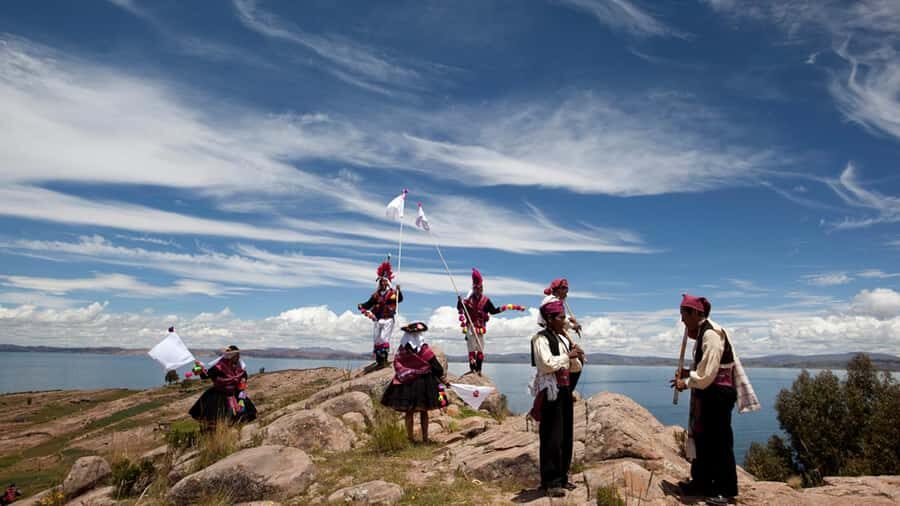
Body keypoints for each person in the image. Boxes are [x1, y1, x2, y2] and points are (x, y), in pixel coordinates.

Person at [670, 294, 759, 503]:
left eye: (684, 315)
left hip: (718, 393)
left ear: (695, 313)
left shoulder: (711, 334)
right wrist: (686, 372)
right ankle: (701, 482)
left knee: (719, 442)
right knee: (702, 439)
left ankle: (724, 490)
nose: (682, 321)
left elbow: (708, 373)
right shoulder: (703, 332)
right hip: (709, 392)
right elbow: (705, 367)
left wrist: (687, 382)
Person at [528, 299, 584, 497]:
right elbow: (545, 364)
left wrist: (578, 358)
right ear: (550, 319)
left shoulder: (562, 339)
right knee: (551, 436)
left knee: (565, 435)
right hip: (551, 394)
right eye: (561, 317)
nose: (564, 321)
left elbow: (573, 367)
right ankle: (550, 481)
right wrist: (568, 356)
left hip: (564, 392)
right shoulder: (540, 339)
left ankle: (562, 477)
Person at [381, 322, 448, 443]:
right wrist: (440, 375)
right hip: (424, 383)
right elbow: (436, 367)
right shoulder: (423, 349)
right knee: (424, 411)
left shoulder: (402, 350)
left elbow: (397, 364)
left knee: (409, 412)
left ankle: (410, 438)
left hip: (406, 383)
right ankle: (425, 438)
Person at [457, 268, 524, 375]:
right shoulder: (468, 301)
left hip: (481, 329)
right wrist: (459, 302)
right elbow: (460, 309)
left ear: (482, 289)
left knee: (480, 349)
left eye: (480, 288)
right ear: (474, 289)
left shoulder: (486, 301)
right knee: (471, 349)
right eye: (477, 288)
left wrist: (507, 307)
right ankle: (472, 369)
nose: (479, 290)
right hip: (470, 328)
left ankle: (479, 370)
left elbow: (493, 311)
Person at [189, 345, 257, 429]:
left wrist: (241, 399)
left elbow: (242, 387)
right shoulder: (219, 367)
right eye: (236, 355)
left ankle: (229, 435)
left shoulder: (241, 369)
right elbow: (205, 376)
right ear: (231, 356)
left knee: (238, 418)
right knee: (216, 421)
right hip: (218, 396)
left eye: (238, 355)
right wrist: (198, 368)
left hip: (235, 395)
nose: (239, 357)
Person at [540, 278, 585, 390]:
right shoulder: (552, 301)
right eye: (564, 288)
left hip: (558, 334)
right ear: (557, 289)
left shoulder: (555, 300)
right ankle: (566, 390)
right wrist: (572, 325)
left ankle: (566, 390)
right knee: (575, 360)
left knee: (575, 361)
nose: (567, 292)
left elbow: (561, 319)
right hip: (554, 335)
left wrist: (571, 323)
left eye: (567, 288)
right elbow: (557, 319)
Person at [358, 260, 403, 369]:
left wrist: (399, 291)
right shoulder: (376, 295)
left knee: (384, 338)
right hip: (378, 319)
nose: (383, 283)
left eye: (385, 281)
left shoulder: (392, 294)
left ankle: (384, 360)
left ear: (387, 282)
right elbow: (368, 304)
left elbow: (399, 299)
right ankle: (379, 361)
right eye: (381, 282)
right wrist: (361, 306)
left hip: (388, 319)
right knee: (377, 339)